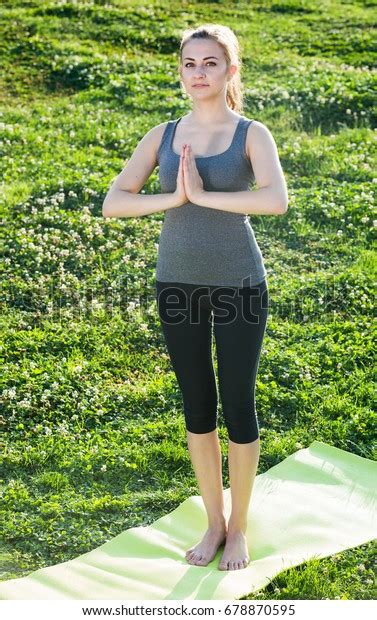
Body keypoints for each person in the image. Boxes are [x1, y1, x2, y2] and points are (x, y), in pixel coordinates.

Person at [103, 23, 288, 572]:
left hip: (238, 286)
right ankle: (212, 522)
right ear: (180, 71)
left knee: (238, 402)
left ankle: (239, 528)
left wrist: (204, 195)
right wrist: (174, 198)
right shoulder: (162, 134)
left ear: (230, 70)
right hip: (177, 284)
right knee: (197, 404)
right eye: (190, 63)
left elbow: (276, 200)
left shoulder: (251, 133)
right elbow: (115, 201)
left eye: (211, 63)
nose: (199, 73)